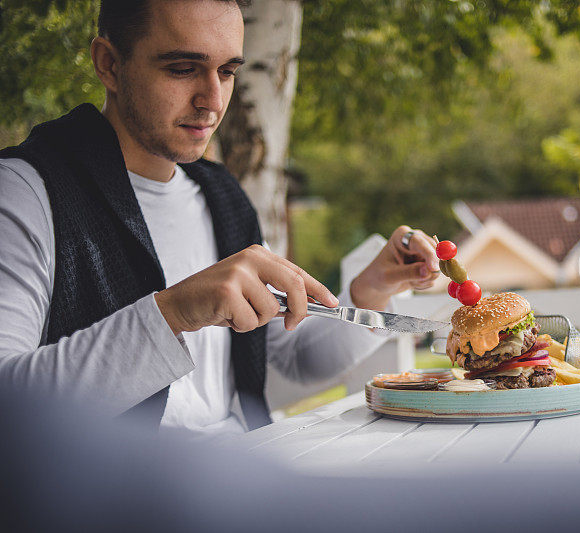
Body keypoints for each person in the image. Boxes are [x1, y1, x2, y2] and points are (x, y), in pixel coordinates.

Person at [0, 0, 440, 435]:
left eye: (227, 72)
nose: (212, 101)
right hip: (108, 499)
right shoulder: (23, 194)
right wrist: (174, 313)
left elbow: (293, 358)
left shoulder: (222, 196)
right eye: (182, 68)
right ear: (109, 64)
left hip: (242, 476)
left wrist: (371, 291)